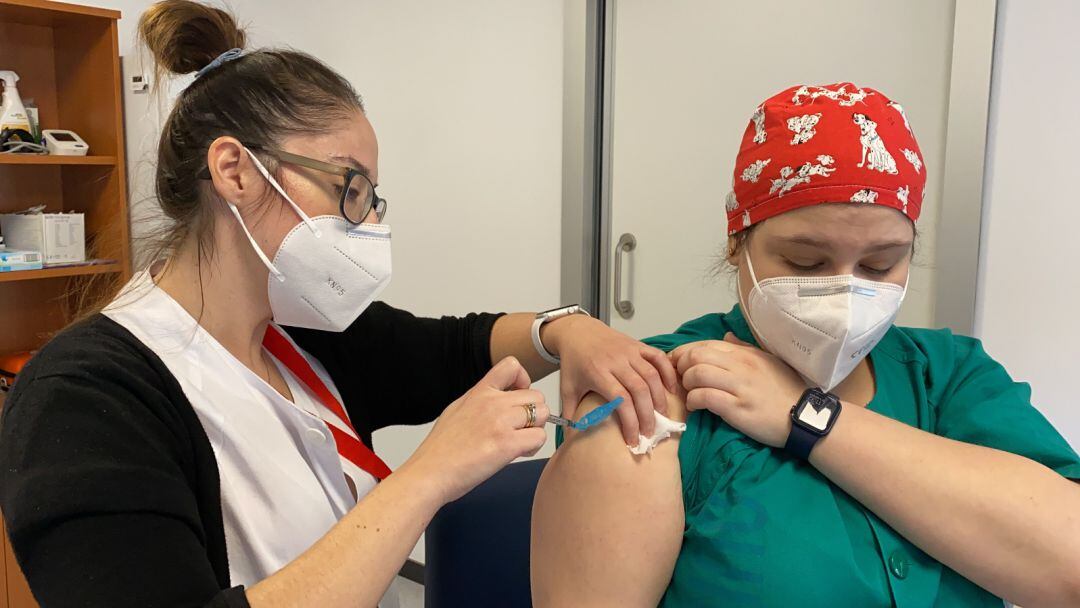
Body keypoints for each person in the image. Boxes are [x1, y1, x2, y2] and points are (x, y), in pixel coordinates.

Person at [0, 2, 678, 606]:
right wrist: (429, 474)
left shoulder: (297, 331)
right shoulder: (84, 399)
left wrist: (567, 331)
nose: (368, 223)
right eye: (349, 189)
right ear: (236, 172)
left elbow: (454, 348)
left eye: (372, 199)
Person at [531, 82, 1080, 607]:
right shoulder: (652, 394)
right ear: (737, 243)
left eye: (880, 265)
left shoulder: (949, 376)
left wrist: (808, 416)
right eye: (805, 262)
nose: (843, 296)